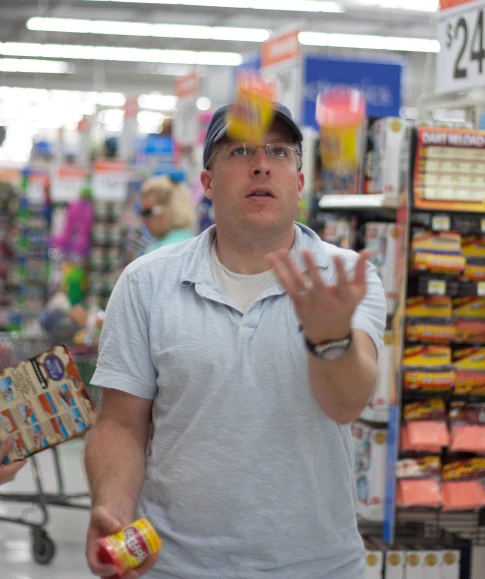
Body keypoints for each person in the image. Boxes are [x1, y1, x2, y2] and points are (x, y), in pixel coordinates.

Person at [85, 102, 386, 579]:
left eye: (280, 152)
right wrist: (113, 508)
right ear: (207, 183)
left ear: (299, 182)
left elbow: (347, 404)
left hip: (316, 567)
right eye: (241, 150)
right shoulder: (146, 282)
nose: (262, 163)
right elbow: (121, 424)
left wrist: (330, 340)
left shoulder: (344, 278)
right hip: (174, 566)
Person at [139, 175, 195, 254]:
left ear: (169, 209)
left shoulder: (157, 254)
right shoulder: (197, 245)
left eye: (147, 212)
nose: (143, 219)